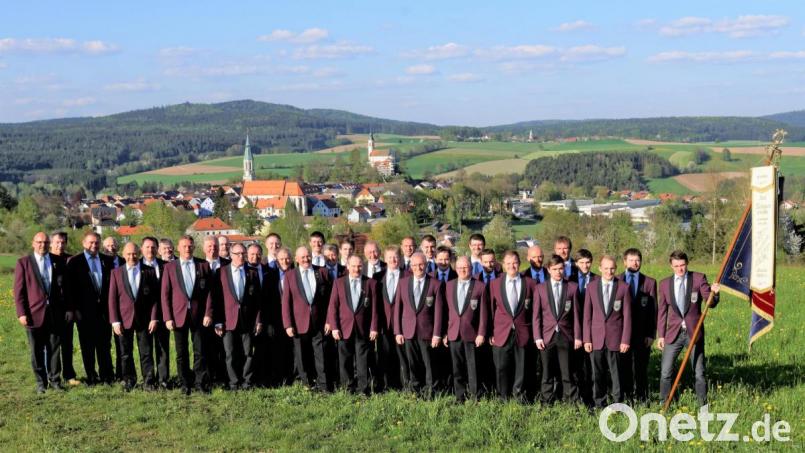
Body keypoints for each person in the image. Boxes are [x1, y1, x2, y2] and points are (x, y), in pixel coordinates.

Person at [657, 250, 720, 406]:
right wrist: (661, 335)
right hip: (673, 334)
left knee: (699, 372)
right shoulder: (664, 284)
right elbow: (662, 312)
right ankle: (664, 403)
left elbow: (710, 303)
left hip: (694, 333)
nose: (680, 269)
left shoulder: (698, 278)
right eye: (676, 266)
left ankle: (702, 405)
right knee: (665, 372)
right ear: (671, 266)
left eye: (682, 265)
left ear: (687, 263)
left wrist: (714, 293)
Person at [14, 232, 70, 393]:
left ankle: (55, 380)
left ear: (49, 244)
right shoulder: (24, 263)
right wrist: (21, 313)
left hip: (55, 314)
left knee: (54, 349)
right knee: (36, 351)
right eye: (39, 242)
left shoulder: (58, 261)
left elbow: (66, 288)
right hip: (33, 315)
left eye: (45, 242)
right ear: (33, 243)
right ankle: (41, 383)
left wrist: (67, 309)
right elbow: (19, 291)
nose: (42, 245)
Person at [161, 235, 214, 394]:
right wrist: (168, 317)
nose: (187, 249)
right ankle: (184, 383)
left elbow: (210, 292)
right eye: (184, 246)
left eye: (190, 246)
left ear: (194, 247)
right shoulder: (170, 267)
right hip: (178, 316)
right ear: (178, 248)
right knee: (181, 352)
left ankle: (200, 382)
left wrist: (208, 313)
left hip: (199, 316)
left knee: (200, 351)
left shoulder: (203, 265)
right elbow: (165, 294)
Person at [108, 242, 160, 391]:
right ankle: (129, 380)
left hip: (145, 320)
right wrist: (115, 321)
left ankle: (149, 382)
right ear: (123, 255)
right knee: (125, 353)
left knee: (146, 352)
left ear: (139, 253)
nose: (132, 257)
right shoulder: (116, 273)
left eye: (135, 253)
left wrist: (154, 318)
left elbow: (155, 298)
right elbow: (112, 299)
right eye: (129, 254)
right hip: (123, 320)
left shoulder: (149, 271)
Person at [583, 255, 632, 408]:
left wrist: (625, 340)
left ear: (616, 268)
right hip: (596, 339)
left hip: (616, 339)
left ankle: (618, 404)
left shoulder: (623, 287)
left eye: (612, 269)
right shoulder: (591, 287)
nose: (609, 272)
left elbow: (627, 317)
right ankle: (599, 403)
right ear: (600, 268)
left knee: (616, 374)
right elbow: (587, 316)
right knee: (597, 374)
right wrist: (587, 339)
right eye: (606, 268)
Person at [66, 231, 114, 385]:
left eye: (97, 242)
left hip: (105, 312)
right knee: (87, 346)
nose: (94, 245)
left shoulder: (107, 260)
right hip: (84, 313)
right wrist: (74, 310)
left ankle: (106, 376)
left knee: (104, 345)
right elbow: (70, 289)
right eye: (91, 242)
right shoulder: (75, 262)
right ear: (84, 243)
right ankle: (91, 376)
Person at [213, 243, 263, 390]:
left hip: (248, 320)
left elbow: (258, 301)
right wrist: (218, 321)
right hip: (228, 320)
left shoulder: (252, 273)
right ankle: (233, 382)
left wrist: (258, 321)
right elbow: (217, 299)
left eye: (243, 254)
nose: (241, 256)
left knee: (248, 353)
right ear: (231, 255)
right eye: (238, 254)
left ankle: (247, 382)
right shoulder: (221, 272)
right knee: (230, 353)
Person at [327, 255, 379, 395]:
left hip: (363, 328)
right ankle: (348, 388)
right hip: (343, 328)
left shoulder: (370, 283)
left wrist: (374, 327)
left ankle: (363, 389)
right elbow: (333, 306)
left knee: (363, 361)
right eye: (354, 266)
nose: (357, 269)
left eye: (359, 266)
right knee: (345, 360)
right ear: (348, 266)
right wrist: (334, 327)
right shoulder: (338, 283)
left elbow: (375, 308)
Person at [534, 255, 582, 404]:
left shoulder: (572, 287)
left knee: (567, 371)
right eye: (554, 269)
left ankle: (571, 401)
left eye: (561, 269)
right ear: (548, 270)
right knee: (547, 371)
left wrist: (578, 337)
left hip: (566, 335)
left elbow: (576, 315)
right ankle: (546, 400)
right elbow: (536, 315)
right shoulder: (540, 288)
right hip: (546, 336)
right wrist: (537, 337)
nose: (558, 272)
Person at [394, 252, 443, 398]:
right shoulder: (403, 283)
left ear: (426, 265)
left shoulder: (435, 284)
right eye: (414, 265)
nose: (418, 268)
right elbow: (398, 309)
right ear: (410, 266)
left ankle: (431, 392)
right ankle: (415, 390)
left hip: (427, 331)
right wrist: (398, 331)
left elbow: (439, 312)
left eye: (421, 264)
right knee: (413, 363)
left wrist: (437, 334)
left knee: (429, 364)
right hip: (408, 331)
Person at [282, 246, 331, 391]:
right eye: (302, 257)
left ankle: (323, 385)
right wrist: (288, 324)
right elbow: (286, 302)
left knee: (321, 354)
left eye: (308, 256)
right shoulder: (290, 276)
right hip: (299, 323)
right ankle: (307, 383)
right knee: (302, 355)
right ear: (296, 259)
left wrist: (329, 320)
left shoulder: (322, 272)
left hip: (320, 322)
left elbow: (330, 300)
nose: (306, 259)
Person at [489, 250, 536, 401]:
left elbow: (534, 310)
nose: (512, 266)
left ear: (520, 263)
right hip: (501, 332)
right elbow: (490, 310)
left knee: (521, 366)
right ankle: (503, 396)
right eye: (508, 263)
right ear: (503, 265)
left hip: (523, 331)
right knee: (501, 366)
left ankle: (519, 396)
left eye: (515, 262)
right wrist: (490, 332)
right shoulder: (495, 284)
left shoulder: (530, 283)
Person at [441, 256, 487, 402]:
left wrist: (481, 333)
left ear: (471, 269)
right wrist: (444, 333)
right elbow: (445, 312)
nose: (462, 270)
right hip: (453, 333)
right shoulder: (449, 286)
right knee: (457, 368)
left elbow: (484, 313)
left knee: (473, 367)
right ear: (456, 269)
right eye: (460, 267)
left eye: (465, 267)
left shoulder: (480, 286)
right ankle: (460, 396)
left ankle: (475, 396)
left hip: (472, 333)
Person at [619, 248, 657, 403]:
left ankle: (642, 398)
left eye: (637, 260)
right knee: (624, 367)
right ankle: (627, 397)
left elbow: (653, 310)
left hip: (642, 334)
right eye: (631, 260)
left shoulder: (649, 282)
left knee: (641, 368)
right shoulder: (617, 280)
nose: (635, 263)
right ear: (624, 262)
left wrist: (651, 334)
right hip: (621, 334)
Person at [374, 246, 410, 391]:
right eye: (390, 257)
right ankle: (386, 385)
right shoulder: (377, 277)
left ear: (400, 258)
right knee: (384, 355)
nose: (393, 260)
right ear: (385, 259)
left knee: (402, 356)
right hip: (384, 323)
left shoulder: (408, 275)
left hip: (403, 323)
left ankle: (404, 385)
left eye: (395, 256)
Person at [140, 236, 171, 389]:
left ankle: (163, 379)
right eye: (147, 247)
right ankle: (148, 379)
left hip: (163, 314)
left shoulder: (166, 266)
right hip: (143, 315)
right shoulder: (136, 266)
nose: (150, 250)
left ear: (158, 249)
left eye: (153, 247)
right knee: (145, 349)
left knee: (163, 348)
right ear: (142, 249)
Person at [50, 231, 79, 387]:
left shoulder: (71, 260)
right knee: (52, 344)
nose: (60, 245)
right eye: (57, 242)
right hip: (50, 310)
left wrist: (71, 309)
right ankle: (53, 376)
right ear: (51, 243)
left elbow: (72, 288)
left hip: (67, 309)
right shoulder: (46, 259)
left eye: (63, 242)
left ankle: (69, 375)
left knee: (67, 344)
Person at [202, 235, 229, 385]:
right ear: (204, 248)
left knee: (223, 348)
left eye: (215, 246)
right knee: (205, 348)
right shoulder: (199, 265)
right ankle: (208, 377)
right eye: (209, 246)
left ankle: (222, 378)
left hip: (224, 313)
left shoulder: (227, 265)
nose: (213, 249)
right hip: (203, 315)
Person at [571, 248, 595, 405]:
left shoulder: (597, 280)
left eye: (588, 262)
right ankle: (576, 396)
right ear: (576, 263)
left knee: (590, 365)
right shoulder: (569, 279)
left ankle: (590, 396)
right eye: (581, 262)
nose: (585, 266)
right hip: (573, 328)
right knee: (575, 365)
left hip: (592, 328)